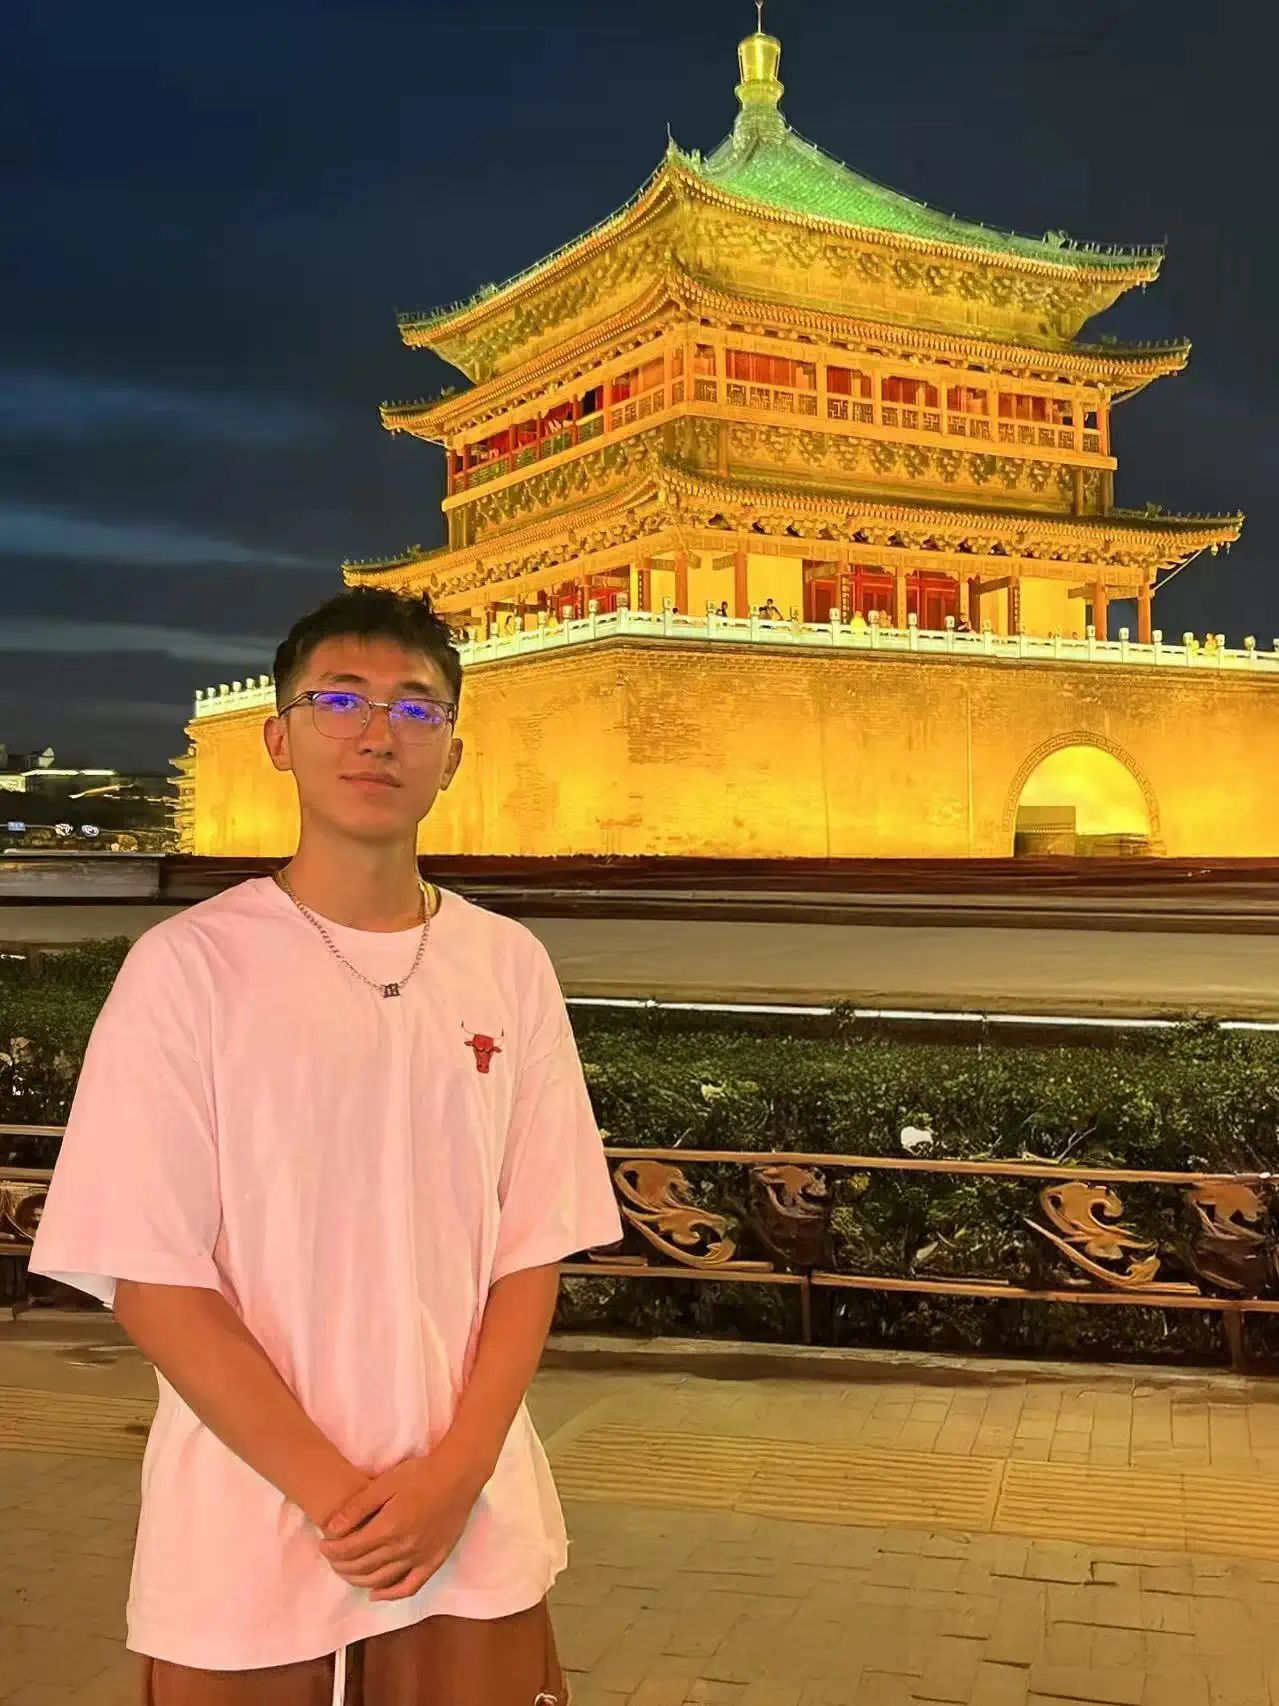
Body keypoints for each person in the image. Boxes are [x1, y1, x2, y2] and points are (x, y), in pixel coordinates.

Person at [30, 587, 623, 1706]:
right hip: (245, 1541)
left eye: (416, 708)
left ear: (453, 754)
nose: (377, 733)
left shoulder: (507, 965)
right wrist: (337, 1499)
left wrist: (455, 1477)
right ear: (277, 737)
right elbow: (150, 1272)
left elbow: (531, 1247)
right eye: (340, 700)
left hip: (471, 1538)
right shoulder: (189, 969)